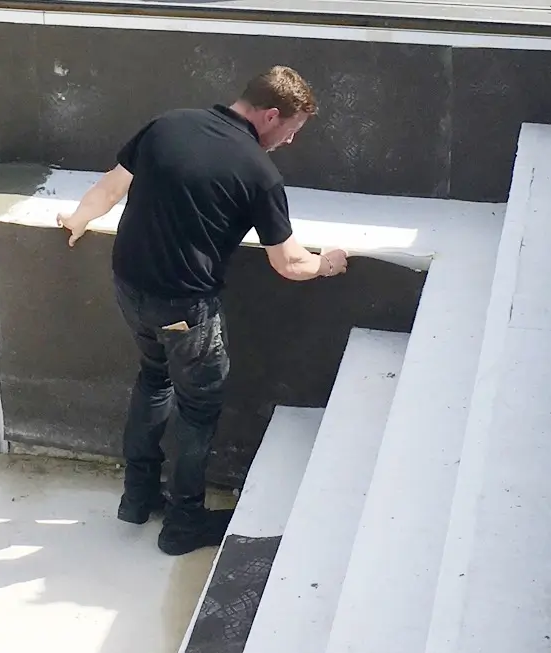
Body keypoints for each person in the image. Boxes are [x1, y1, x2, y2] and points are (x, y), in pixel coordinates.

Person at [57, 66, 349, 556]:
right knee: (197, 409)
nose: (290, 142)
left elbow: (109, 189)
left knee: (154, 378)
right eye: (292, 130)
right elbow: (290, 263)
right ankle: (184, 523)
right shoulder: (259, 172)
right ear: (271, 115)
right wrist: (328, 264)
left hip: (129, 286)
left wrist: (78, 219)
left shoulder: (168, 124)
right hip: (184, 307)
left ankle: (137, 498)